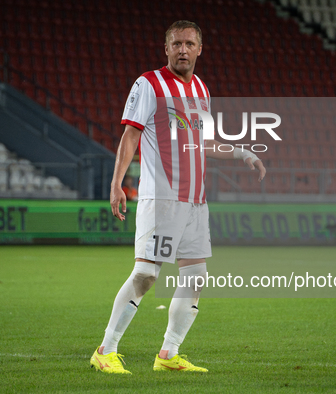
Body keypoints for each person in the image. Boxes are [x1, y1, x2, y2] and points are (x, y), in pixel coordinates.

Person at [90, 20, 266, 374]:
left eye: (189, 43)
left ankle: (168, 355)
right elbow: (130, 136)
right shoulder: (149, 84)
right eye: (176, 44)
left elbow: (204, 141)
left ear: (200, 49)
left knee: (196, 277)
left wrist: (241, 152)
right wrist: (116, 184)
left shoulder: (201, 89)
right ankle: (105, 350)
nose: (182, 49)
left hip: (195, 202)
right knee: (146, 275)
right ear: (166, 48)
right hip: (162, 198)